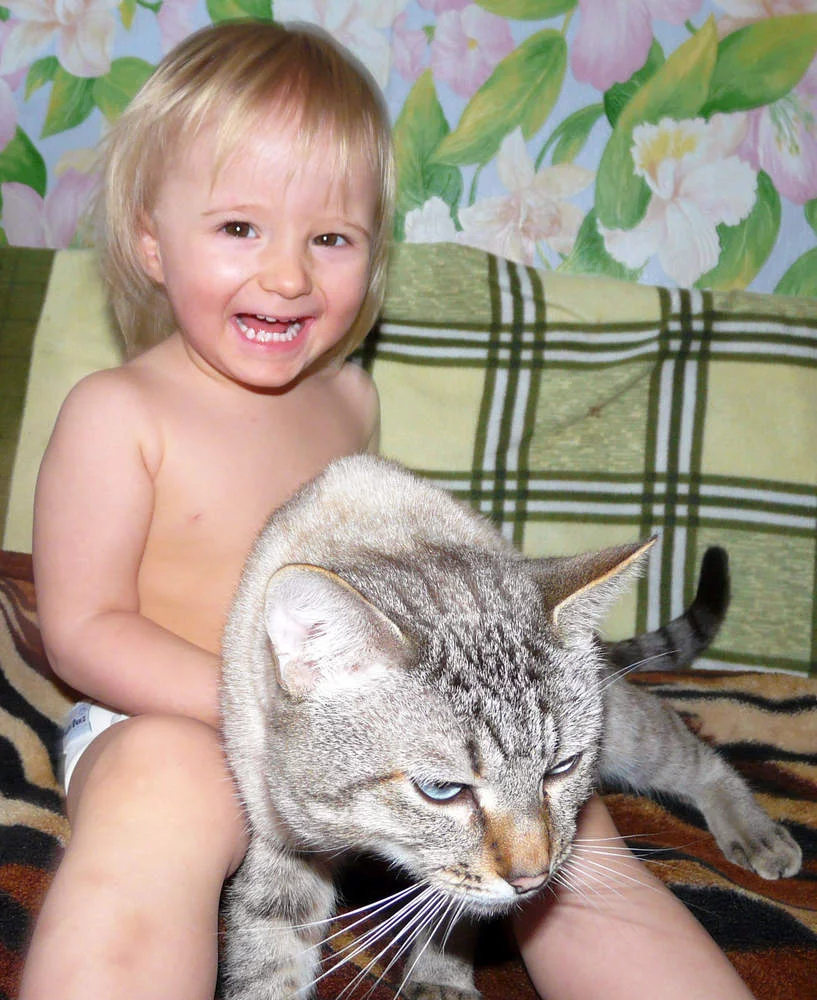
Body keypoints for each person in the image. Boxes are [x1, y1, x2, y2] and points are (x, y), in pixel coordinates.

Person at [19, 19, 755, 1000]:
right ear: (151, 239)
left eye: (330, 238)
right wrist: (255, 715)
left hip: (390, 734)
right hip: (177, 714)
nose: (288, 274)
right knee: (164, 788)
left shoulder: (350, 399)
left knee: (559, 814)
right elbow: (80, 630)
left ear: (372, 255)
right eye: (239, 229)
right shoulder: (119, 412)